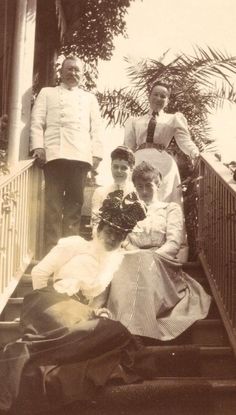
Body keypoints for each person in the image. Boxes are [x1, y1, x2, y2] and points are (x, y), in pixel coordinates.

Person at [0, 192, 146, 414]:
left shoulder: (112, 262)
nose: (113, 239)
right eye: (110, 232)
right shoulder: (75, 245)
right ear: (98, 230)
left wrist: (94, 312)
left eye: (119, 235)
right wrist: (44, 305)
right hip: (50, 301)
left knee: (117, 331)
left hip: (78, 312)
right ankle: (37, 345)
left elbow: (92, 297)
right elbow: (40, 272)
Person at [107, 161, 211, 342]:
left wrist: (152, 256)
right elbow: (125, 241)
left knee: (144, 262)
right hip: (133, 258)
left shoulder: (170, 208)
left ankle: (138, 329)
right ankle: (126, 326)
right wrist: (137, 254)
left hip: (163, 261)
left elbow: (173, 243)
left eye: (149, 186)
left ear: (158, 184)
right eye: (140, 186)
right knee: (123, 261)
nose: (145, 191)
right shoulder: (130, 211)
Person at [30, 55, 103, 254]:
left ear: (83, 75)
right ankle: (50, 253)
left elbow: (96, 129)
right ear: (60, 72)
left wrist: (96, 154)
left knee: (74, 207)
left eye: (77, 70)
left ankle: (67, 255)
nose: (73, 73)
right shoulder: (47, 93)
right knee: (52, 205)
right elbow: (37, 122)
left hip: (80, 157)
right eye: (69, 69)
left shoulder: (89, 99)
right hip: (55, 154)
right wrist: (38, 147)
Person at [124, 81, 199, 206]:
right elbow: (128, 147)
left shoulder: (173, 119)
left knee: (163, 199)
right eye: (155, 94)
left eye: (163, 96)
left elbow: (184, 140)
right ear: (149, 96)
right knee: (136, 198)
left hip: (163, 164)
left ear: (168, 101)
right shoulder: (135, 121)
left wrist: (195, 153)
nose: (159, 98)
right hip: (139, 161)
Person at [91, 145, 135, 227]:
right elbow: (95, 223)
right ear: (111, 166)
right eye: (115, 167)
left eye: (123, 168)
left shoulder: (136, 193)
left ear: (131, 169)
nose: (118, 171)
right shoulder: (100, 192)